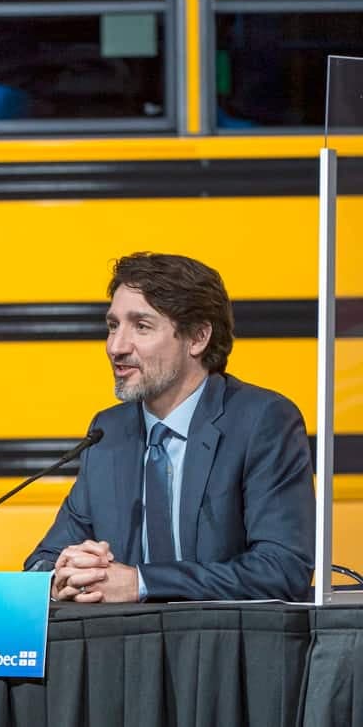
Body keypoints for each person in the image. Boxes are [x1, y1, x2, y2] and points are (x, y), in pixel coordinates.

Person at [24, 253, 314, 602]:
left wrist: (141, 583)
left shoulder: (261, 421)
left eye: (141, 326)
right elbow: (43, 561)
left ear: (197, 337)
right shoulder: (108, 432)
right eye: (113, 325)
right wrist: (62, 577)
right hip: (126, 650)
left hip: (222, 649)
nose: (115, 346)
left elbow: (282, 570)